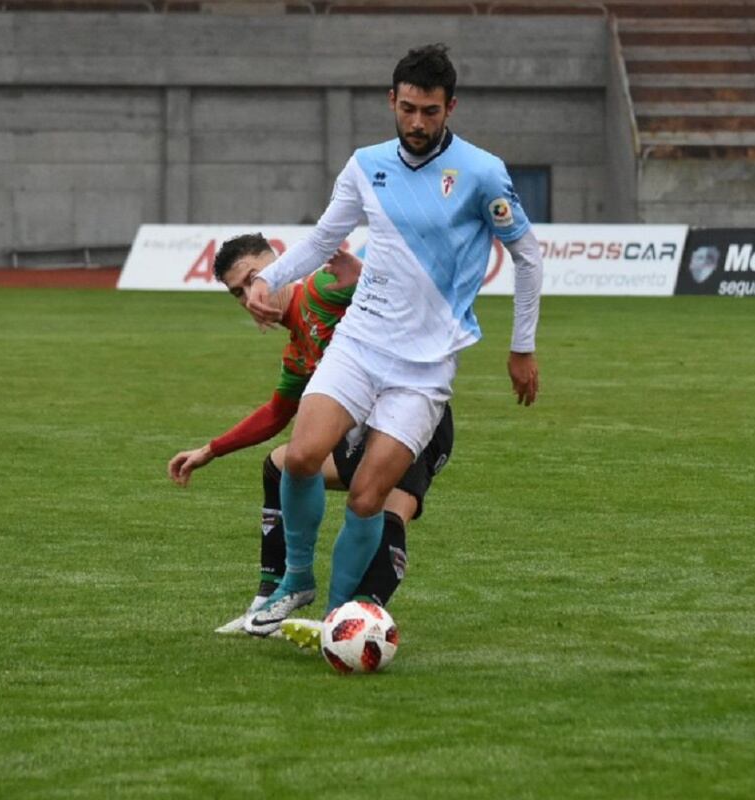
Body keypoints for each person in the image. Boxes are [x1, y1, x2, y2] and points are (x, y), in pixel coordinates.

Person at [244, 43, 542, 635]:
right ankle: (295, 581)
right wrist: (268, 277)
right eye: (407, 109)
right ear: (392, 101)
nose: (417, 123)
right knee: (300, 458)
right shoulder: (365, 164)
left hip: (425, 367)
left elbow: (527, 256)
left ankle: (336, 614)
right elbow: (323, 238)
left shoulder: (481, 173)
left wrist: (522, 346)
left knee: (365, 497)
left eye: (430, 112)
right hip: (359, 343)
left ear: (450, 107)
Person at [167, 233, 453, 637]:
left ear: (281, 262)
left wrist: (363, 273)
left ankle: (350, 623)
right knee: (283, 464)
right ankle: (271, 599)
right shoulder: (298, 351)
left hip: (415, 423)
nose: (251, 296)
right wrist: (210, 451)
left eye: (255, 278)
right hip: (355, 438)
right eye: (238, 293)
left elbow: (395, 289)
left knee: (386, 511)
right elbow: (276, 414)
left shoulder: (319, 289)